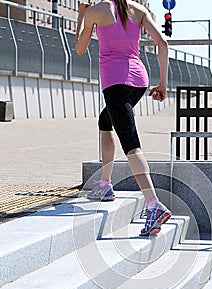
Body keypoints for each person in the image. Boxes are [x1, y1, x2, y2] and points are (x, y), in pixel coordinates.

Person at [75, 0, 171, 236]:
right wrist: (163, 84)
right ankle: (105, 184)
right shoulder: (139, 10)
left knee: (131, 144)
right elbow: (163, 42)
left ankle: (153, 205)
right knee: (106, 121)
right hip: (139, 81)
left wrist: (81, 16)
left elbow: (79, 48)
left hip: (115, 83)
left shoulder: (96, 11)